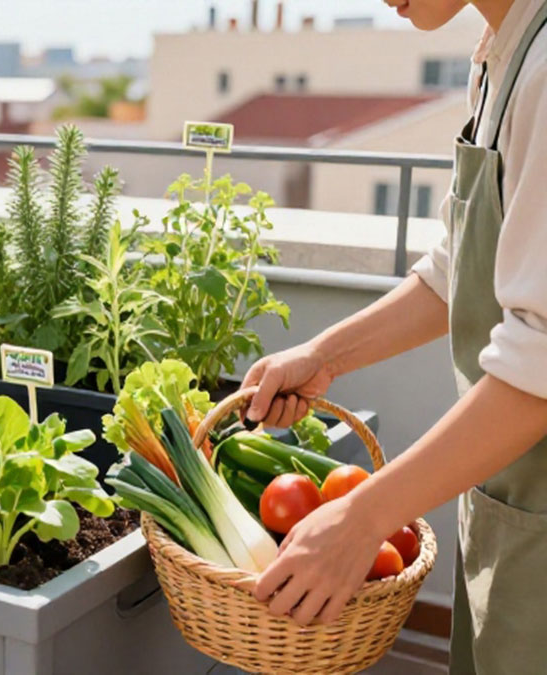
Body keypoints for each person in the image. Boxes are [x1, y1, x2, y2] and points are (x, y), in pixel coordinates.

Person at [240, 0, 547, 671]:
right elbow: (456, 267)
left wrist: (362, 517)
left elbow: (539, 373)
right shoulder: (502, 54)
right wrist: (323, 355)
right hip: (509, 502)